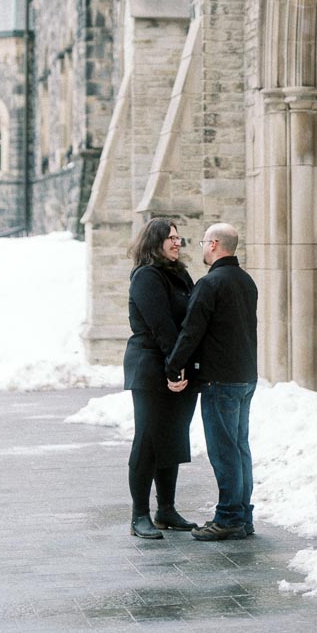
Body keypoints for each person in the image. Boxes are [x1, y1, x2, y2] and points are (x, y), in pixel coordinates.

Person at [164, 222, 258, 542]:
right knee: (240, 447)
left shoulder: (210, 283)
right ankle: (243, 515)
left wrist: (173, 366)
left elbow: (192, 331)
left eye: (204, 241)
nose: (202, 247)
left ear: (215, 244)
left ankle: (229, 517)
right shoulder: (247, 282)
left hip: (220, 379)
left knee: (224, 451)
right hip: (245, 377)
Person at [123, 217, 199, 539]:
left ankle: (165, 509)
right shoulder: (146, 277)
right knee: (149, 440)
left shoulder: (180, 275)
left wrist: (182, 363)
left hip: (176, 363)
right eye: (170, 237)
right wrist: (173, 366)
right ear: (155, 242)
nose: (177, 242)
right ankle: (139, 514)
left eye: (179, 237)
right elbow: (162, 326)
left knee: (173, 437)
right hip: (152, 366)